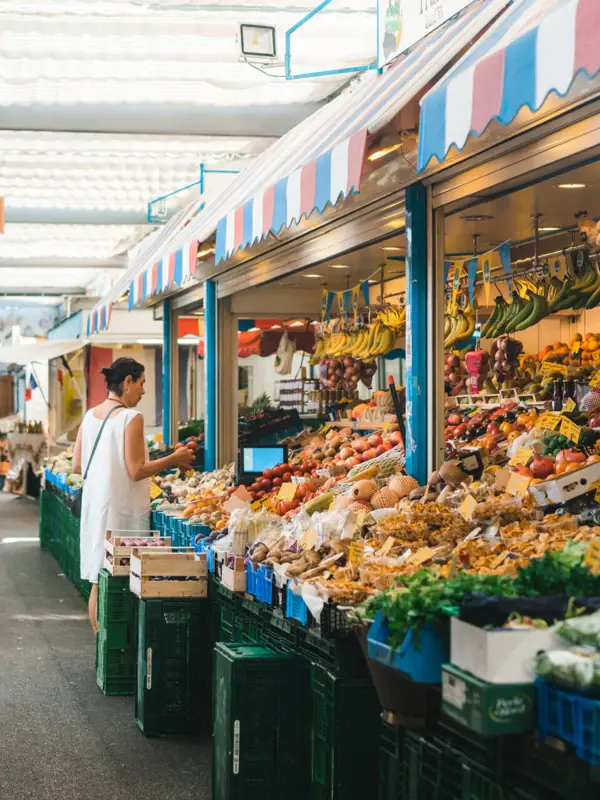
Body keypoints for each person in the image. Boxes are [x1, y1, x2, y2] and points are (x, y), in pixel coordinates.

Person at [72, 357, 194, 633]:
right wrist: (173, 458)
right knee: (124, 581)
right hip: (121, 512)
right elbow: (137, 470)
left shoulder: (90, 416)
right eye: (142, 384)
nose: (143, 391)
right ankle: (119, 651)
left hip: (95, 509)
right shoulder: (130, 417)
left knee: (98, 580)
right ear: (127, 382)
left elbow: (77, 466)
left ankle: (103, 649)